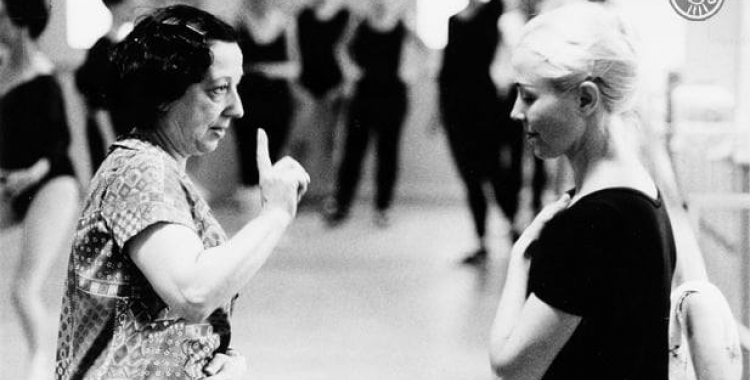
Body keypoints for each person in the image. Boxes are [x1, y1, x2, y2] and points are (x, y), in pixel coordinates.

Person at [54, 5, 310, 380]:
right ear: (165, 94)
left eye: (235, 88)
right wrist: (274, 215)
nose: (237, 108)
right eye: (219, 89)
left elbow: (161, 315)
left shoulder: (160, 169)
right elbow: (193, 293)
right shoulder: (141, 171)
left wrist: (217, 355)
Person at [488, 3, 676, 379]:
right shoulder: (640, 191)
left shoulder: (590, 222)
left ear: (586, 99)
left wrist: (520, 257)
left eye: (528, 96)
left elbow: (511, 366)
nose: (515, 112)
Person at [0, 0, 80, 379]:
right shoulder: (3, 72)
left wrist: (29, 175)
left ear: (17, 26)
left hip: (52, 185)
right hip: (12, 184)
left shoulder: (43, 77)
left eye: (2, 14)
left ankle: (40, 366)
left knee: (23, 288)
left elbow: (59, 144)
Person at [438, 0, 521, 265]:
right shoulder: (454, 21)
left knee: (495, 172)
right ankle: (481, 240)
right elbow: (447, 69)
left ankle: (512, 226)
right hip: (455, 110)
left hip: (486, 108)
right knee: (470, 177)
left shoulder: (496, 11)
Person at [324, 0, 409, 228]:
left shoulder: (402, 24)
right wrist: (349, 70)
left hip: (393, 97)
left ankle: (383, 207)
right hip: (363, 97)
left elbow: (422, 50)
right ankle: (341, 205)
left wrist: (409, 70)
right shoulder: (358, 23)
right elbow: (340, 48)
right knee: (353, 153)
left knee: (387, 154)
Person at [232, 0, 299, 208]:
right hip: (246, 99)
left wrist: (264, 70)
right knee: (248, 156)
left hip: (277, 100)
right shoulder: (238, 23)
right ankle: (251, 213)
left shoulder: (286, 24)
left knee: (273, 155)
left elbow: (295, 67)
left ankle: (271, 211)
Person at [290, 0, 351, 201]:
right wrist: (298, 88)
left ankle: (330, 194)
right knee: (299, 141)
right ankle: (295, 190)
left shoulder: (346, 15)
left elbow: (347, 53)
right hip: (306, 90)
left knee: (332, 145)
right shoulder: (303, 16)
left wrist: (342, 87)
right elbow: (295, 53)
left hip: (336, 91)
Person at [75, 0, 140, 170]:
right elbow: (98, 106)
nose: (132, 9)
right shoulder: (101, 50)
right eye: (127, 4)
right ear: (114, 6)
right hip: (110, 135)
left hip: (128, 135)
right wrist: (111, 144)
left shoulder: (128, 48)